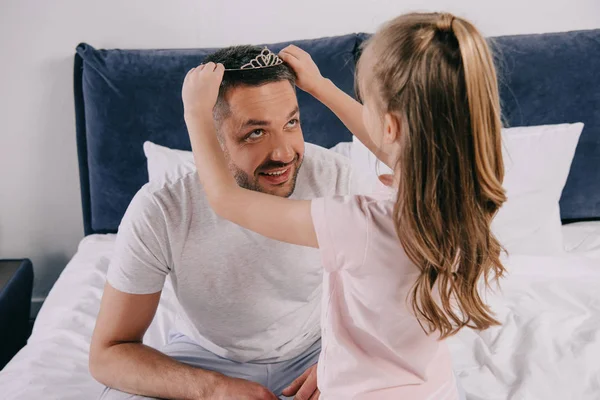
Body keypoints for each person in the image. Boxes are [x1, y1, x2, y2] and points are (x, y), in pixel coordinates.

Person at [183, 12, 506, 399]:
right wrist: (320, 87)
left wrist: (196, 113)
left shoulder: (363, 225)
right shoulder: (467, 193)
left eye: (364, 100)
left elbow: (226, 199)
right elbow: (391, 143)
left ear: (389, 125)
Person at [90, 45, 357, 400]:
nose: (283, 153)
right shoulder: (162, 208)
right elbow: (108, 353)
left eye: (291, 123)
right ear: (210, 139)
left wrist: (343, 359)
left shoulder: (338, 180)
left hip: (317, 351)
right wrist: (213, 389)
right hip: (206, 359)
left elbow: (398, 303)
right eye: (255, 133)